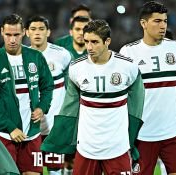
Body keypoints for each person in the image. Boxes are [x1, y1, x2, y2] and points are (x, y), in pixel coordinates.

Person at [42, 19, 145, 175]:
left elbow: (137, 104)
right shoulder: (76, 68)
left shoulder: (127, 67)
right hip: (86, 148)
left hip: (118, 147)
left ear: (107, 41)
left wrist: (131, 137)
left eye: (95, 42)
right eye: (87, 41)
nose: (89, 47)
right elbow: (70, 107)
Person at [120, 1, 176, 175]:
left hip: (174, 132)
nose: (163, 26)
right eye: (157, 21)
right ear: (143, 23)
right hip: (143, 134)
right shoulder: (128, 52)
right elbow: (122, 95)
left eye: (165, 21)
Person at [0, 14, 54, 175]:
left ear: (24, 32)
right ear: (2, 32)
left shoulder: (35, 57)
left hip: (32, 132)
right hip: (4, 134)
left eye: (16, 35)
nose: (12, 39)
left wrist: (42, 107)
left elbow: (47, 86)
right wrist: (10, 128)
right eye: (8, 34)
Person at [25, 15, 72, 175]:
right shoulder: (21, 56)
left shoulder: (62, 55)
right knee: (32, 170)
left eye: (41, 29)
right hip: (30, 126)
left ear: (48, 32)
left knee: (55, 170)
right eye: (33, 29)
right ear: (26, 33)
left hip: (55, 125)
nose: (37, 33)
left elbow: (71, 84)